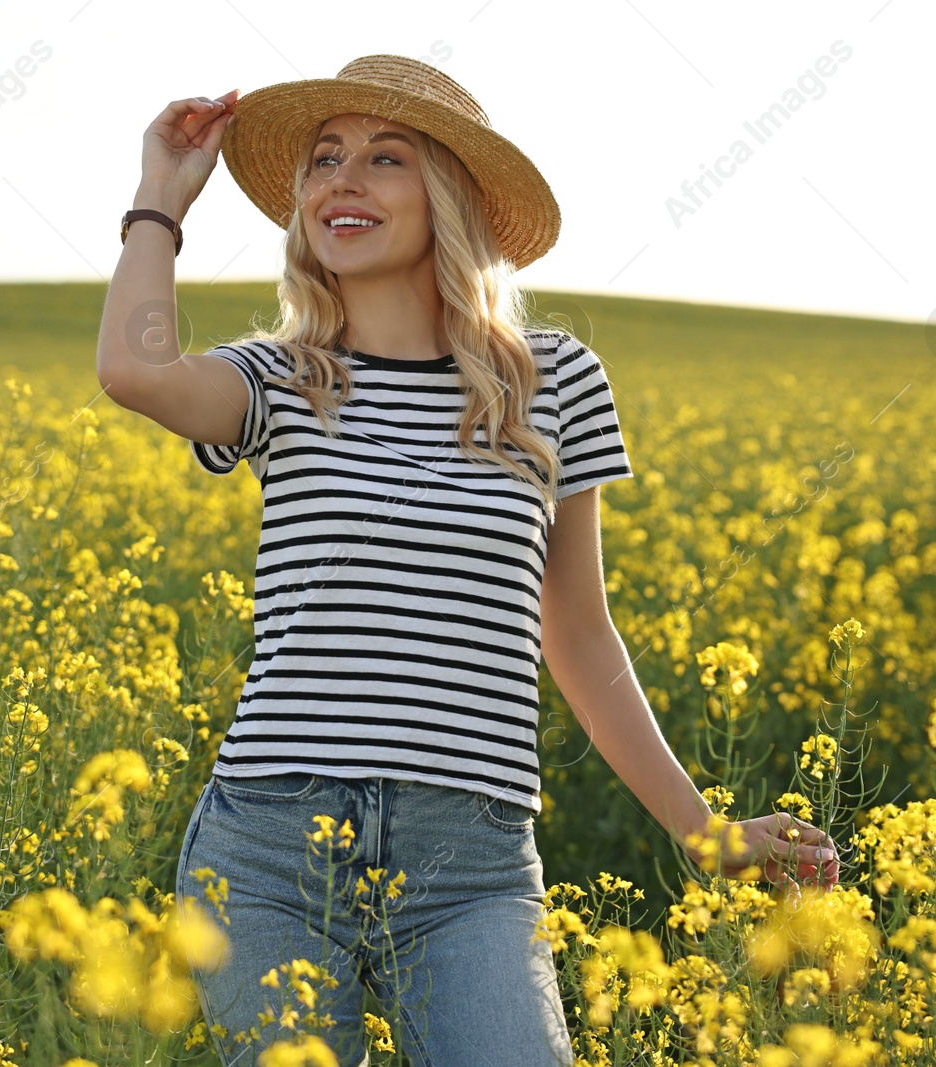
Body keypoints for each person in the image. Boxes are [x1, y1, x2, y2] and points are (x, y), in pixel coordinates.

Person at [96, 55, 840, 1067]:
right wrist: (159, 198)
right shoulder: (278, 375)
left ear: (449, 198)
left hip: (472, 862)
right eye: (324, 159)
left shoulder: (555, 382)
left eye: (384, 157)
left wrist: (700, 827)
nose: (340, 181)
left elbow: (576, 630)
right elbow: (134, 368)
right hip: (268, 845)